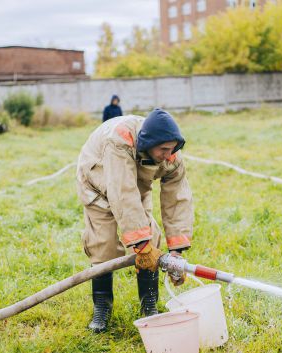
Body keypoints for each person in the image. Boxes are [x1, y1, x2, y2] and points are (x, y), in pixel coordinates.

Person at [77, 108, 194, 333]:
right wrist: (140, 244)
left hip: (135, 185)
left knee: (150, 236)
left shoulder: (171, 155)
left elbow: (177, 199)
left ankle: (148, 304)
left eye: (172, 150)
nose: (168, 154)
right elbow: (122, 191)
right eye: (163, 150)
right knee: (104, 244)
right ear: (149, 142)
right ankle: (102, 307)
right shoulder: (119, 141)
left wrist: (177, 251)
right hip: (97, 182)